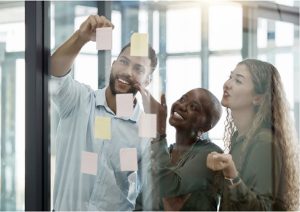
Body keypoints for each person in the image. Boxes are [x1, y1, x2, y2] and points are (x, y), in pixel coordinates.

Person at [50, 15, 158, 210]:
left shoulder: (145, 129)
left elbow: (149, 192)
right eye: (123, 62)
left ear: (147, 80)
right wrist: (81, 37)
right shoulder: (80, 101)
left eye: (138, 69)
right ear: (113, 64)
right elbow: (55, 71)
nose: (127, 71)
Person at [206, 59, 300, 210]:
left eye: (238, 80)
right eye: (230, 76)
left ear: (258, 98)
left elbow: (262, 208)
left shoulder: (264, 143)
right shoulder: (239, 138)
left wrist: (231, 175)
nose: (227, 84)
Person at [138, 86, 223, 210]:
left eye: (193, 107)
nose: (182, 106)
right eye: (182, 99)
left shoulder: (210, 154)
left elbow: (168, 187)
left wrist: (160, 130)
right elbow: (142, 202)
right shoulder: (166, 150)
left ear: (206, 127)